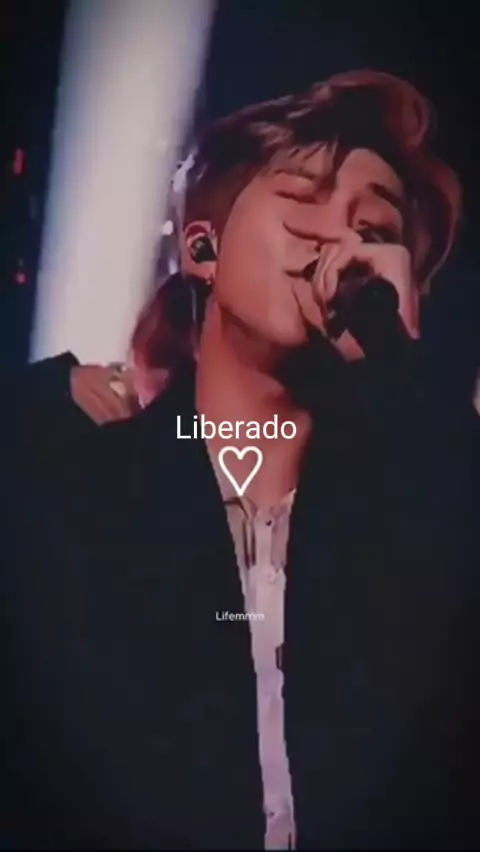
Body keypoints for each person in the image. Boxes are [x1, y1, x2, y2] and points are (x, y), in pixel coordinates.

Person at [4, 70, 479, 849]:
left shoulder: (415, 529)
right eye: (303, 199)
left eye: (377, 228)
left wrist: (405, 371)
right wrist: (39, 401)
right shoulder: (78, 496)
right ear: (202, 248)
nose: (344, 242)